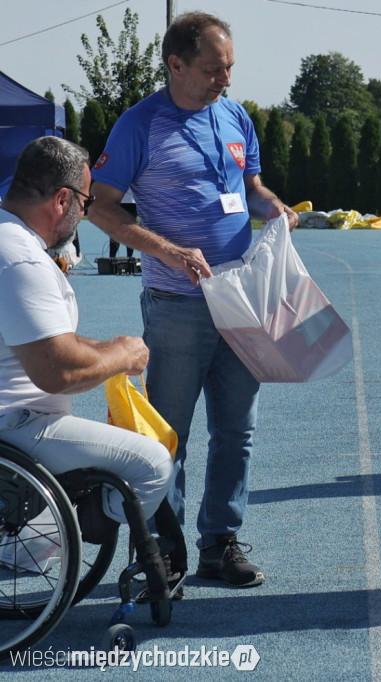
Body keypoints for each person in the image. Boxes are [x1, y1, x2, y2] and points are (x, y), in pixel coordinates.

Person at [89, 12, 297, 587]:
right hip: (177, 302)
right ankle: (164, 551)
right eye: (212, 69)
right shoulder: (140, 124)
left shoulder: (235, 117)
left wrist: (273, 209)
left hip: (242, 301)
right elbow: (99, 206)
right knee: (168, 434)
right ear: (176, 65)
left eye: (229, 68)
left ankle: (220, 544)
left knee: (238, 429)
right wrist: (168, 250)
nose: (224, 80)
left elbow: (249, 191)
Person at [0, 136, 173, 543]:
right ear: (62, 199)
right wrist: (123, 355)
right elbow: (58, 373)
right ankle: (58, 538)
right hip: (19, 423)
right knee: (152, 462)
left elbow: (33, 340)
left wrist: (105, 348)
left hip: (13, 416)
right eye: (85, 201)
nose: (85, 211)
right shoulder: (22, 260)